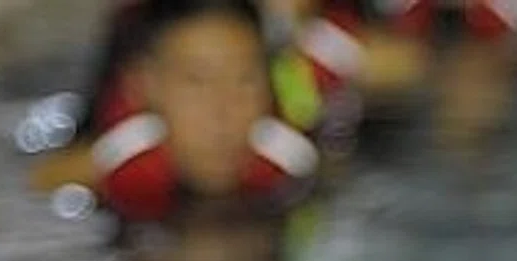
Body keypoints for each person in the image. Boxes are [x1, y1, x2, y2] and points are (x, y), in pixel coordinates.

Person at [30, 0, 320, 224]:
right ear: (143, 86)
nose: (223, 112)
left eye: (245, 80)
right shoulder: (98, 166)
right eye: (196, 82)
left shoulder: (297, 164)